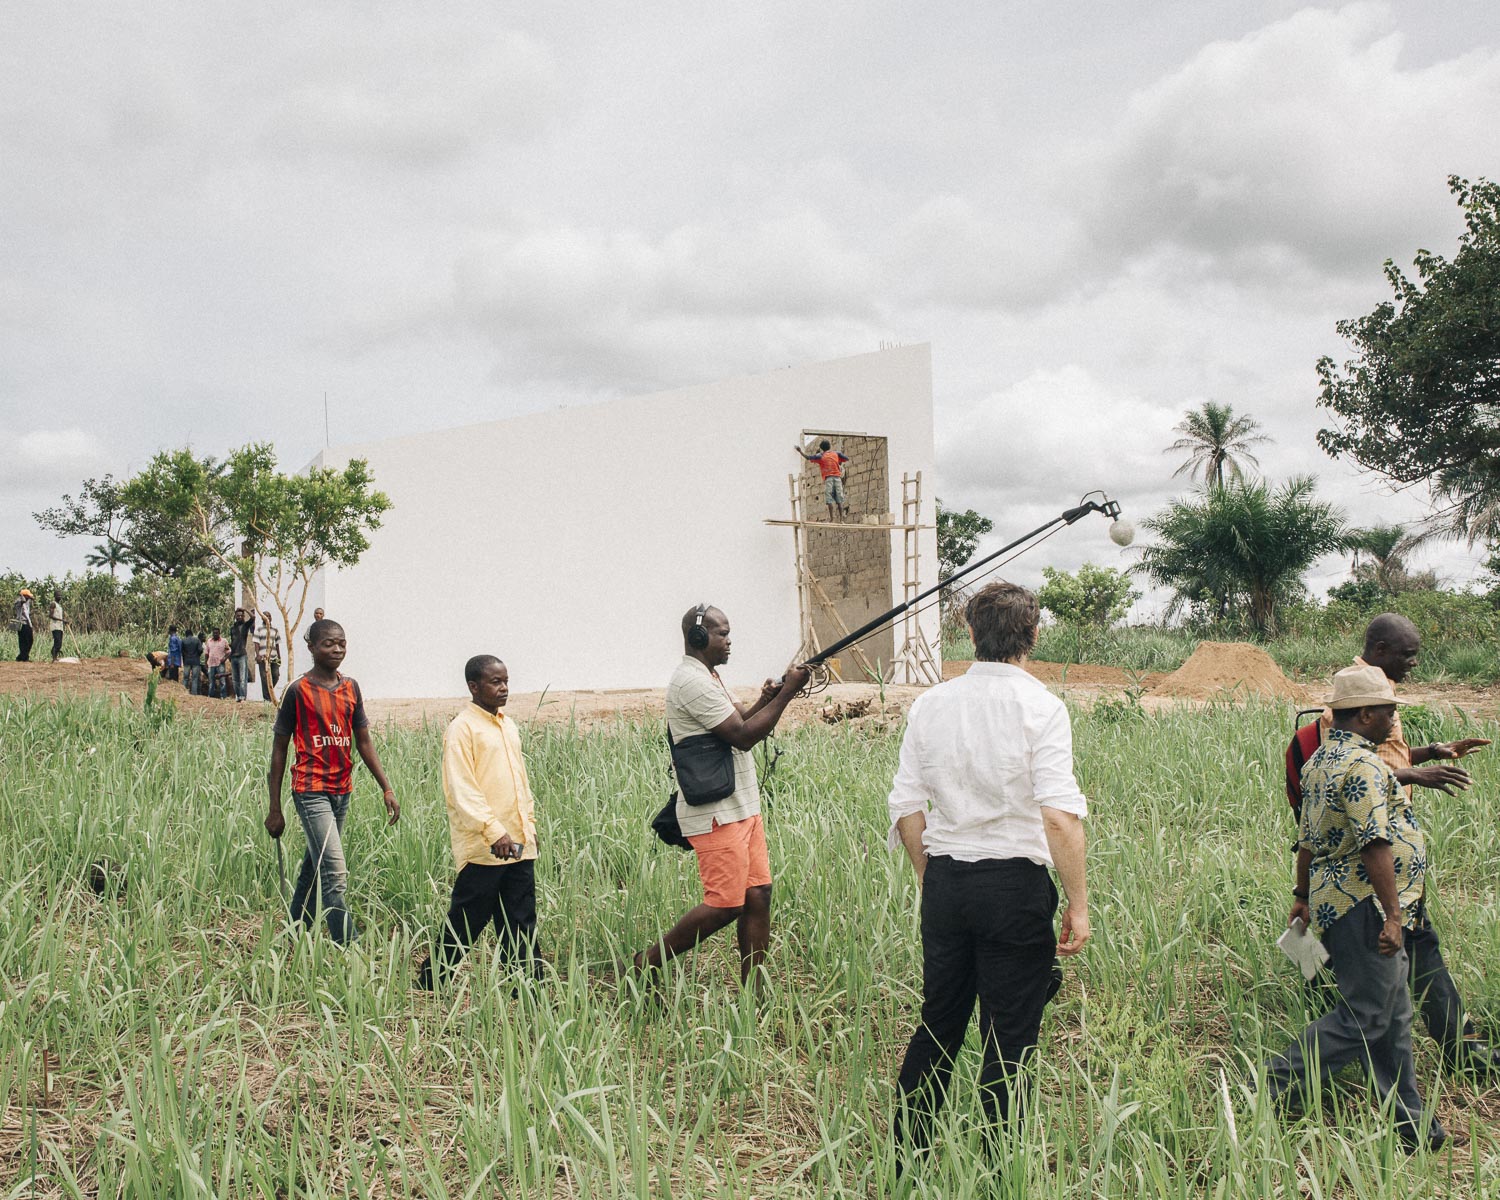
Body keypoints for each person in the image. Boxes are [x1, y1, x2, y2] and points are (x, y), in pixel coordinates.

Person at [888, 581, 1089, 1155]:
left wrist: (932, 878)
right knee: (1011, 1037)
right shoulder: (1043, 708)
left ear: (970, 634)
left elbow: (907, 806)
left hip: (948, 881)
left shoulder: (931, 703)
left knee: (939, 1024)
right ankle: (1001, 1169)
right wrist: (1078, 904)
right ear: (1032, 636)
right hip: (1016, 889)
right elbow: (1059, 818)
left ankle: (908, 1162)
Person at [1287, 613, 1498, 1075]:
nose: (1414, 663)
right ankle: (1278, 1076)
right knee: (1376, 1005)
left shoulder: (1375, 702)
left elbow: (1376, 761)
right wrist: (1392, 911)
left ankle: (1436, 1083)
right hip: (1368, 885)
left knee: (1414, 974)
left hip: (1387, 883)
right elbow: (1351, 778)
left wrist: (1431, 752)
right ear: (1380, 650)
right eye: (1408, 654)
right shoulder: (1355, 699)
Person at [1265, 665, 1451, 1151]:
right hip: (1364, 905)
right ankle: (1271, 1082)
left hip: (1338, 903)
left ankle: (1413, 1128)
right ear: (1366, 713)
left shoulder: (1321, 762)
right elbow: (1374, 844)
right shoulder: (1364, 768)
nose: (1394, 717)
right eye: (1388, 709)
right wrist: (1393, 916)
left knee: (1394, 1017)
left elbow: (1306, 840)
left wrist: (1302, 896)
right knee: (1367, 1016)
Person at [630, 605, 809, 988]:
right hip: (716, 812)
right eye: (722, 634)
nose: (729, 641)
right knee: (727, 903)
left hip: (743, 806)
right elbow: (743, 737)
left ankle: (753, 992)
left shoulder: (708, 676)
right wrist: (789, 695)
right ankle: (645, 963)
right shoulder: (690, 682)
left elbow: (741, 718)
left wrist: (768, 697)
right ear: (698, 639)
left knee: (758, 894)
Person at [264, 619, 399, 945]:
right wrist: (274, 808)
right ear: (312, 647)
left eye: (341, 643)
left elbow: (363, 741)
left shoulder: (350, 688)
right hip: (311, 791)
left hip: (342, 791)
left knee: (314, 868)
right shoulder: (298, 691)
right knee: (335, 876)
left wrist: (387, 787)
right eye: (329, 644)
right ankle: (348, 948)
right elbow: (279, 750)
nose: (337, 649)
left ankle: (293, 936)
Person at [417, 655, 540, 988]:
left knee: (520, 917)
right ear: (474, 686)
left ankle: (527, 986)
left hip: (517, 841)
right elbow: (462, 789)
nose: (504, 689)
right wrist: (494, 831)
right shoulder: (462, 729)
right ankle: (431, 981)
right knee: (468, 918)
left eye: (506, 681)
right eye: (495, 682)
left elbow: (520, 782)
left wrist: (528, 826)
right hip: (486, 844)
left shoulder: (507, 725)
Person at [797, 439, 851, 521]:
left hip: (829, 479)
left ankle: (832, 519)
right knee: (839, 500)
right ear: (830, 446)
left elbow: (808, 457)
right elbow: (846, 459)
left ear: (822, 448)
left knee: (829, 499)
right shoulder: (836, 454)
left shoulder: (820, 456)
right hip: (837, 478)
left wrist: (800, 451)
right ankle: (841, 520)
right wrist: (838, 463)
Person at [229, 607, 255, 703]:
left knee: (242, 678)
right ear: (235, 617)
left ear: (243, 617)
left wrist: (245, 609)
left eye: (241, 615)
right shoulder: (232, 628)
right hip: (233, 656)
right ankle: (238, 696)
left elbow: (253, 617)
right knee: (235, 679)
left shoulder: (245, 626)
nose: (239, 617)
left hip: (242, 655)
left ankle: (243, 696)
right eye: (238, 615)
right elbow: (232, 641)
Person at [255, 612, 282, 701]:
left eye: (269, 615)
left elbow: (277, 644)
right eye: (266, 616)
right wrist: (258, 655)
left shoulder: (275, 629)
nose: (268, 617)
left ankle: (269, 692)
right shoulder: (258, 629)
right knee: (264, 677)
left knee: (276, 675)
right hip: (263, 657)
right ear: (262, 618)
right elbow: (256, 643)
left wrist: (279, 656)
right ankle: (267, 699)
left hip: (273, 657)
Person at [204, 629, 230, 698]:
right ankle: (211, 695)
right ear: (212, 633)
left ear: (219, 633)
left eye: (217, 633)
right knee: (211, 681)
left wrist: (224, 659)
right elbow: (206, 653)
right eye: (214, 633)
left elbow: (229, 651)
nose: (215, 634)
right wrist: (205, 662)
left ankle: (223, 696)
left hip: (220, 664)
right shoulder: (209, 641)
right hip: (211, 664)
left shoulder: (224, 641)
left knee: (222, 681)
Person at [180, 629, 204, 695]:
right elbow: (200, 650)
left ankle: (184, 692)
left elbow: (181, 651)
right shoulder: (197, 640)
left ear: (186, 634)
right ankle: (194, 693)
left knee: (186, 678)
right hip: (195, 661)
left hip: (187, 661)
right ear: (192, 633)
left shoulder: (183, 640)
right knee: (195, 678)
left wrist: (185, 656)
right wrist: (197, 655)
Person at [13, 588, 34, 662]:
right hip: (22, 623)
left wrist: (29, 597)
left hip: (28, 623)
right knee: (23, 641)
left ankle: (22, 656)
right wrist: (21, 595)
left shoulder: (27, 602)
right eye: (28, 596)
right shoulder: (19, 601)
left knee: (30, 640)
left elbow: (31, 598)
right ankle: (24, 657)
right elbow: (23, 601)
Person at [49, 592, 65, 662]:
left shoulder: (59, 606)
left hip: (60, 626)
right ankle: (54, 657)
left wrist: (63, 620)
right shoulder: (53, 604)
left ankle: (55, 656)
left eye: (60, 595)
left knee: (60, 643)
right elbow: (51, 616)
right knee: (57, 642)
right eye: (58, 596)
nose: (60, 597)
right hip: (55, 626)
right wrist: (61, 620)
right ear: (55, 596)